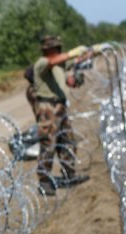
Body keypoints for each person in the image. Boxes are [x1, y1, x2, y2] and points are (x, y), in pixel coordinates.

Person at [32, 35, 97, 196]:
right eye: (57, 48)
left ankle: (69, 174)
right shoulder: (42, 63)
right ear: (50, 50)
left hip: (59, 106)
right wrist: (74, 53)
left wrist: (88, 55)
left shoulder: (58, 65)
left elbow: (72, 66)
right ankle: (44, 181)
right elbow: (54, 62)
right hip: (47, 107)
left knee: (67, 141)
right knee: (48, 143)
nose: (60, 51)